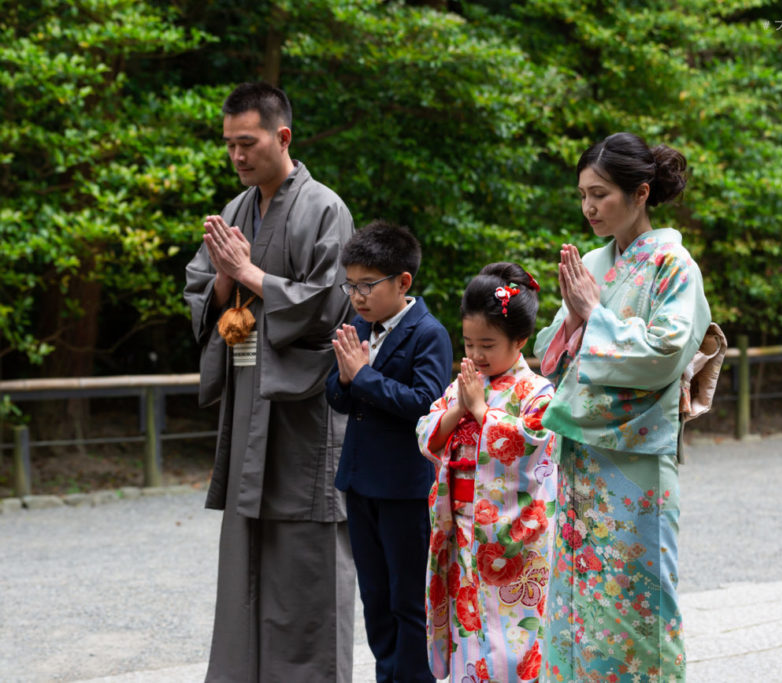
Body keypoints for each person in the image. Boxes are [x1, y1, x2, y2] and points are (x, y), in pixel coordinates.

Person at [183, 81, 356, 682]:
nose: (236, 156)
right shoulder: (234, 211)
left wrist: (248, 272)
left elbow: (331, 304)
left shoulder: (325, 208)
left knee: (308, 556)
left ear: (282, 137)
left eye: (247, 142)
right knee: (246, 553)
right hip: (248, 392)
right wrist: (227, 281)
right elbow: (202, 289)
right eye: (229, 145)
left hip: (303, 403)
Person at [535, 132, 712, 681]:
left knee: (638, 593)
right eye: (583, 195)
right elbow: (549, 351)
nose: (589, 208)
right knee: (577, 594)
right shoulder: (593, 260)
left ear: (640, 193)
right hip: (583, 455)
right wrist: (574, 320)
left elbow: (665, 352)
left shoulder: (674, 266)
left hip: (636, 459)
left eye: (601, 194)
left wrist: (595, 315)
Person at [416, 263, 559, 682]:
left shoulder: (537, 392)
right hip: (462, 530)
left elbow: (536, 446)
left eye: (488, 344)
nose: (476, 355)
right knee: (469, 629)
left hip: (512, 540)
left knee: (513, 641)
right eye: (469, 342)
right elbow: (427, 433)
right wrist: (460, 407)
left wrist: (480, 410)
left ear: (520, 341)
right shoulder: (464, 384)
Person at [325, 221, 453, 683]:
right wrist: (344, 379)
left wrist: (362, 377)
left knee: (408, 600)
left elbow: (426, 404)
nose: (357, 296)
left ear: (403, 282)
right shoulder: (359, 326)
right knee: (375, 598)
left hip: (404, 486)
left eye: (367, 285)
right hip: (360, 482)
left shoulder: (428, 332)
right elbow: (338, 398)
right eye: (351, 285)